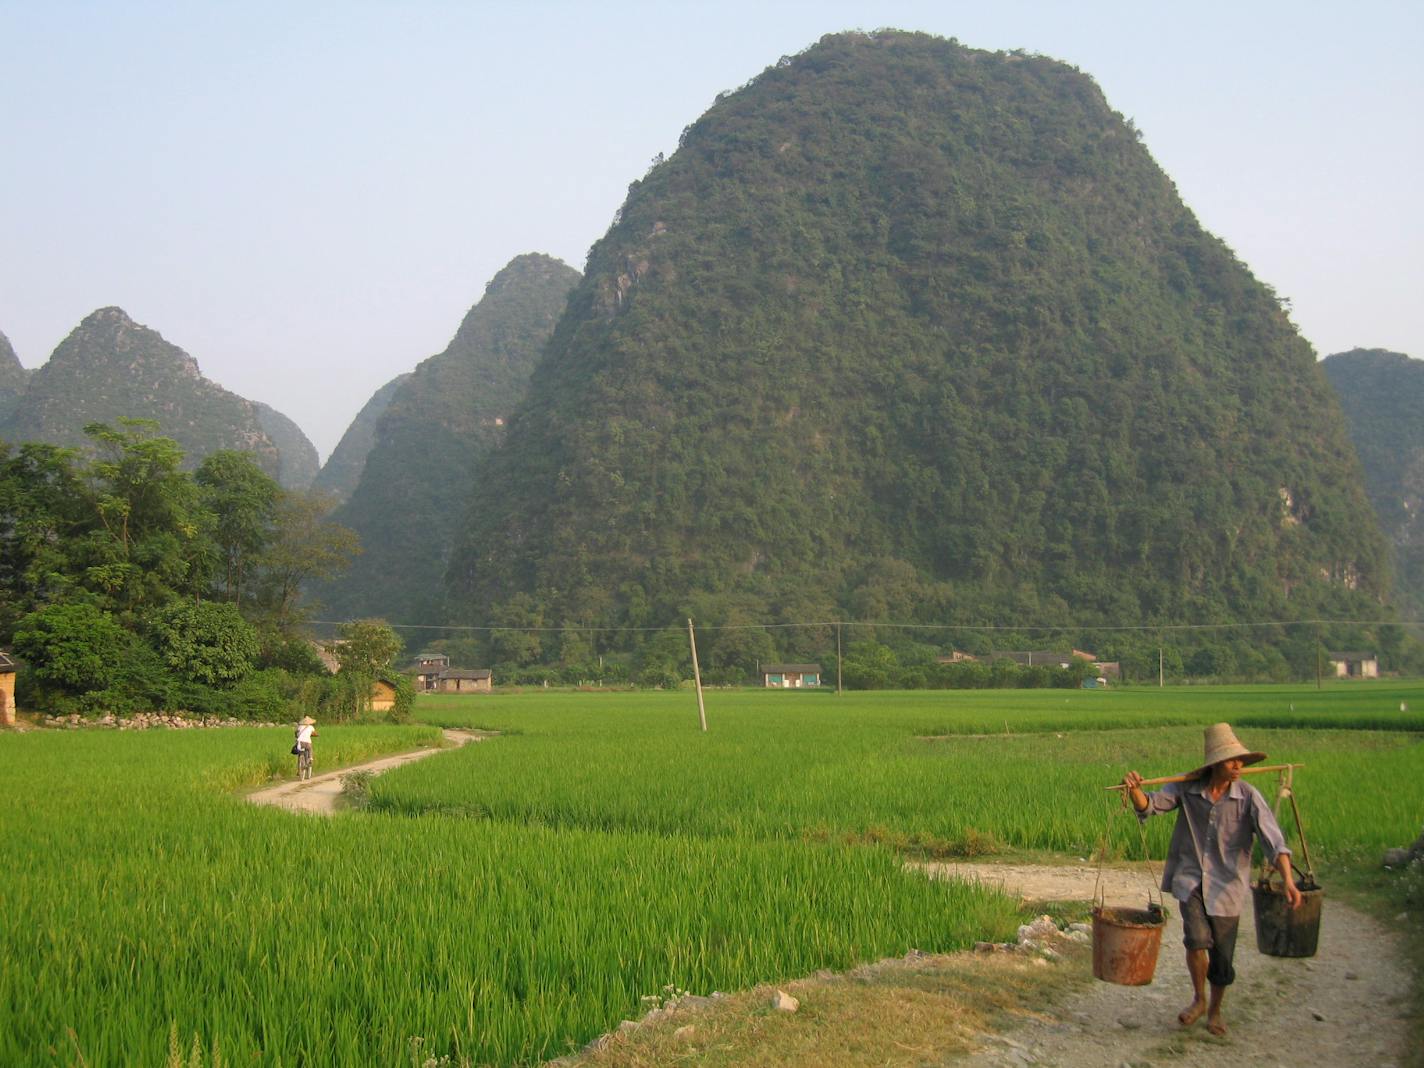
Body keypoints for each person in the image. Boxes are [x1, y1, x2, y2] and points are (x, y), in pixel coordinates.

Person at [1121, 722, 1301, 1037]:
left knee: (1222, 956)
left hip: (1228, 885)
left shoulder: (1247, 797)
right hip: (1190, 879)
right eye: (1231, 760)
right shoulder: (1187, 789)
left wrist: (1287, 879)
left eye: (1240, 760)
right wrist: (1135, 788)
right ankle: (1199, 999)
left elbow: (1274, 840)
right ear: (1215, 763)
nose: (1238, 766)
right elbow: (1151, 806)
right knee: (1196, 940)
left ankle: (1216, 1009)